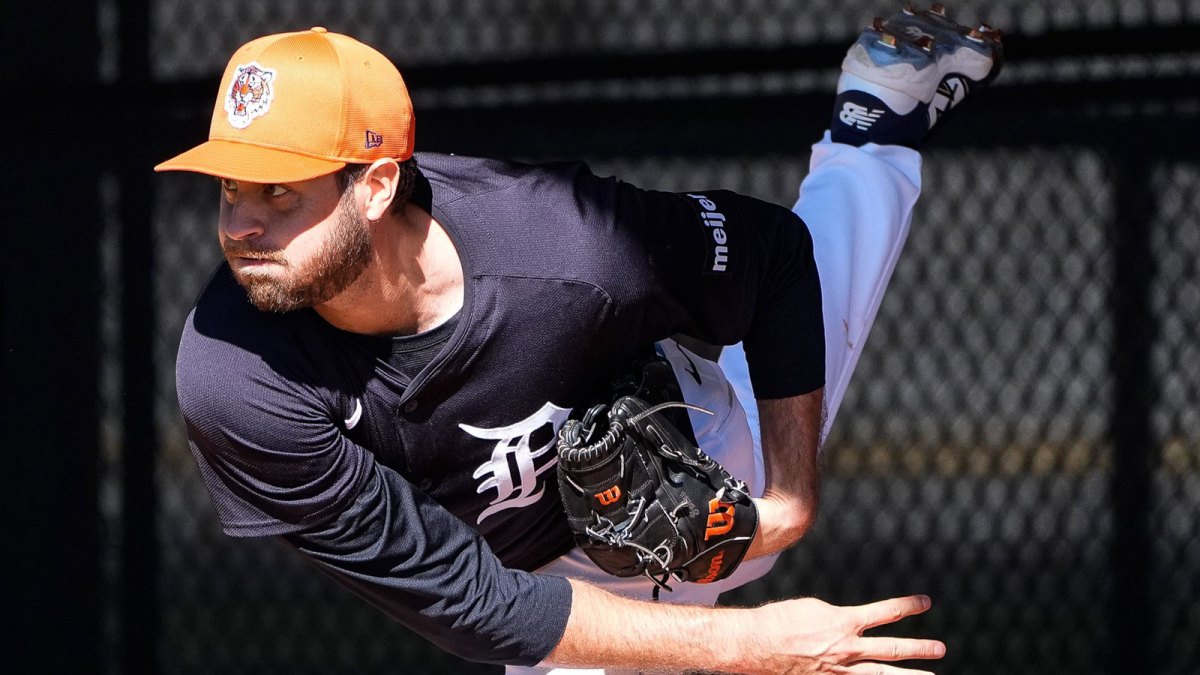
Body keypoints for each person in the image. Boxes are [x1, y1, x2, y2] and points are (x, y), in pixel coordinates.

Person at [155, 5, 1000, 673]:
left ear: (375, 185)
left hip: (700, 467)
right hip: (550, 587)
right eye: (230, 189)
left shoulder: (568, 246)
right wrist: (759, 646)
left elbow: (775, 259)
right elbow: (473, 604)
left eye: (278, 192)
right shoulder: (236, 376)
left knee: (820, 293)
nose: (242, 225)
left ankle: (874, 121)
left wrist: (786, 507)